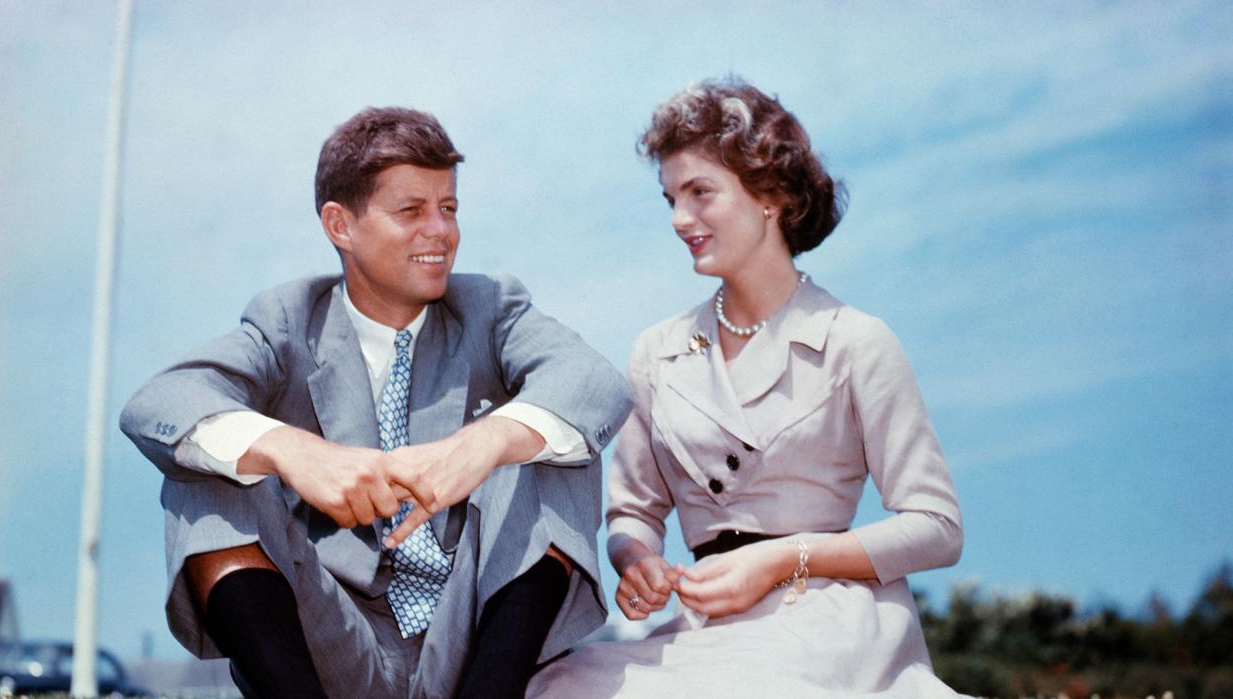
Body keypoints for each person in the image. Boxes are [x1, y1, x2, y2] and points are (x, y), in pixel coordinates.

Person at [120, 106, 632, 699]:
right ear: (340, 225)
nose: (440, 231)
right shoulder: (288, 322)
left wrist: (485, 442)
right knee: (210, 461)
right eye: (411, 211)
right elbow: (158, 402)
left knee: (545, 443)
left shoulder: (491, 308)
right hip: (332, 645)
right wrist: (293, 450)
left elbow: (593, 381)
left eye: (449, 208)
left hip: (474, 642)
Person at [528, 78, 966, 697]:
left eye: (701, 193)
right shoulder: (656, 354)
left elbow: (937, 527)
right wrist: (637, 561)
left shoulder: (856, 341)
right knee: (558, 687)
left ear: (771, 196)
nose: (681, 219)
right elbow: (633, 511)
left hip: (830, 626)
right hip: (706, 628)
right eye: (671, 199)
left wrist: (781, 560)